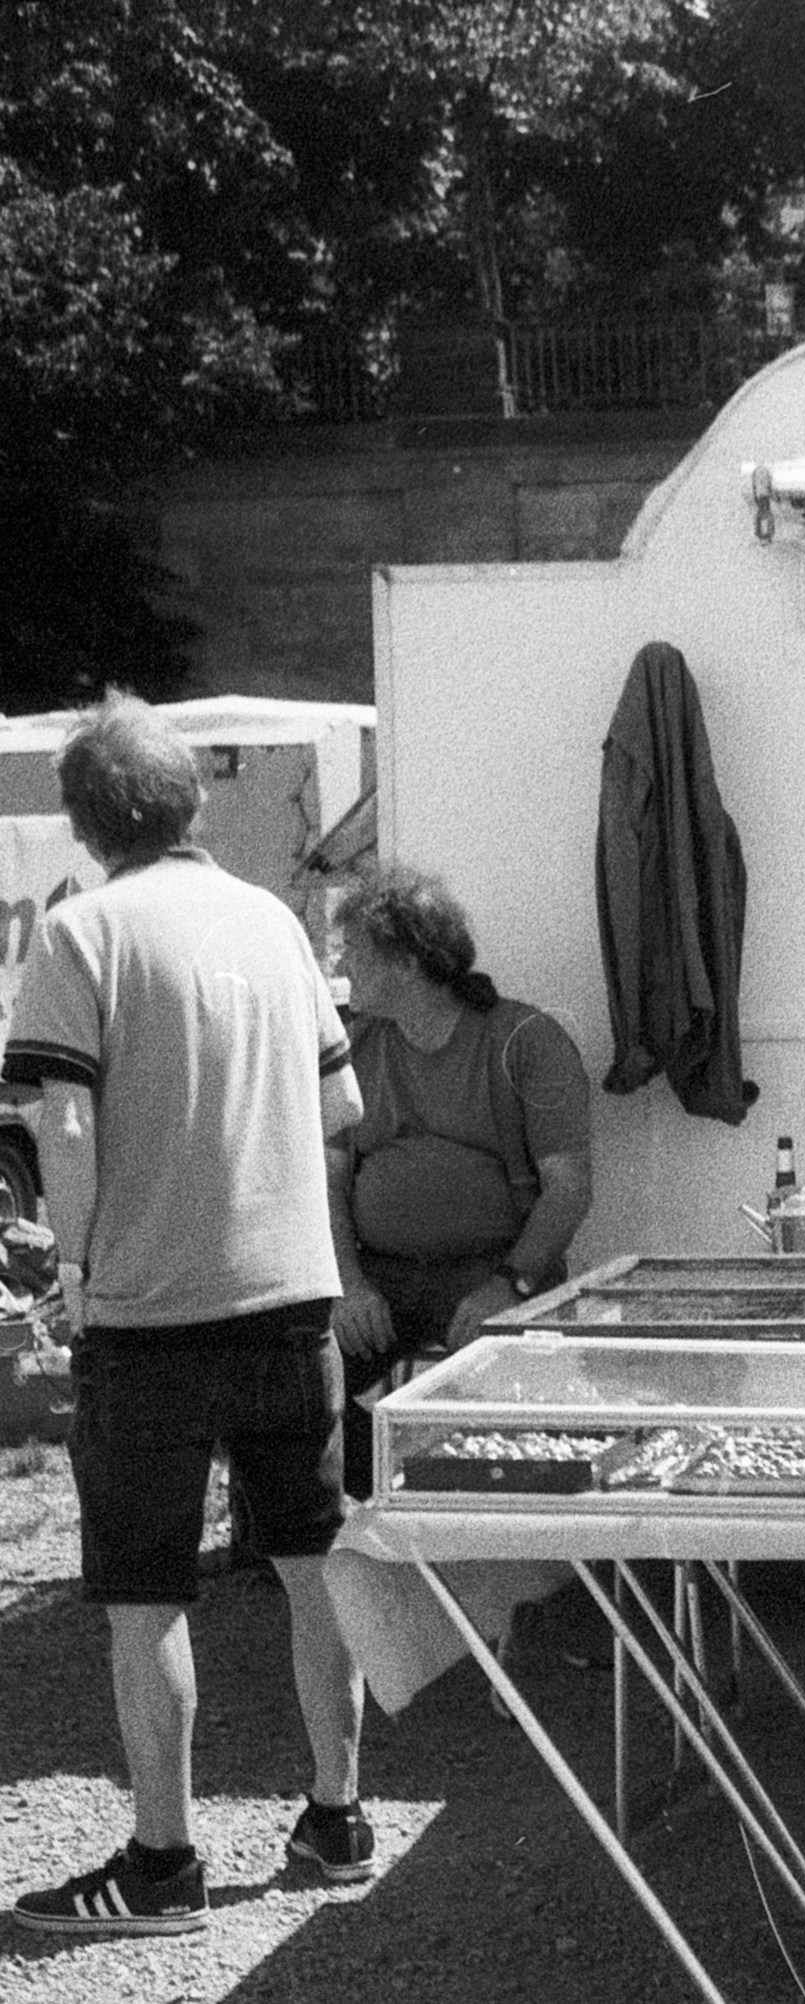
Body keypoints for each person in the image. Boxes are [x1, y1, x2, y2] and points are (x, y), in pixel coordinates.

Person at [4, 695, 373, 1934]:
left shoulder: (80, 936)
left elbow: (62, 1124)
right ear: (190, 804)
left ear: (79, 820)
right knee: (316, 1566)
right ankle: (337, 1822)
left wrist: (78, 1272)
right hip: (291, 1300)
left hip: (152, 1316)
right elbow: (341, 1111)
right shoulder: (272, 921)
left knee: (144, 1595)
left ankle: (163, 1868)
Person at [327, 864, 594, 1498]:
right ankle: (338, 1536)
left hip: (495, 1274)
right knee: (295, 1373)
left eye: (355, 953)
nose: (343, 967)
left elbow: (569, 1187)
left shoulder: (528, 1041)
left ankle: (485, 1533)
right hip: (377, 1278)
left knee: (512, 1408)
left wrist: (511, 1284)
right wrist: (347, 1287)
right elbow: (328, 1178)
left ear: (409, 964)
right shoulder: (354, 1046)